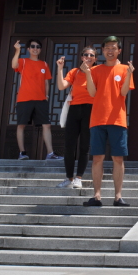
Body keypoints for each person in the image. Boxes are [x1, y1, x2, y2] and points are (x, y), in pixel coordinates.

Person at [80, 36, 135, 207]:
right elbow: (92, 93)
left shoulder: (125, 69)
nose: (110, 51)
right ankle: (97, 196)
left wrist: (129, 74)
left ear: (119, 50)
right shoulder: (96, 70)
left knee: (118, 158)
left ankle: (118, 196)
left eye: (113, 48)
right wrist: (88, 73)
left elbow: (124, 92)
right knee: (97, 158)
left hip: (117, 119)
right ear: (102, 51)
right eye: (107, 48)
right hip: (98, 119)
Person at [11, 39, 63, 160]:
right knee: (21, 125)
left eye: (38, 47)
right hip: (24, 99)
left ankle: (50, 153)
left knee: (46, 125)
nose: (35, 49)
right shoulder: (23, 61)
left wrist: (47, 96)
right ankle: (22, 152)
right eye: (33, 46)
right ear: (28, 49)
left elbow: (46, 82)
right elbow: (14, 65)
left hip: (40, 100)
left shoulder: (44, 64)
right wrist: (17, 51)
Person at [55, 46, 97, 189]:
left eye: (91, 55)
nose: (88, 57)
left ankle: (79, 178)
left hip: (90, 109)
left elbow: (95, 92)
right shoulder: (75, 72)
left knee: (85, 146)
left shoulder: (97, 71)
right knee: (69, 145)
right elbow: (61, 86)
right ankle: (69, 178)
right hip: (74, 109)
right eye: (86, 54)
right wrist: (60, 69)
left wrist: (88, 72)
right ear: (81, 57)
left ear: (95, 59)